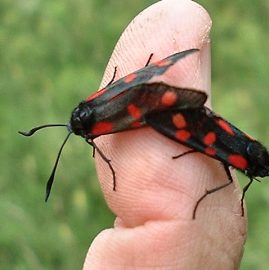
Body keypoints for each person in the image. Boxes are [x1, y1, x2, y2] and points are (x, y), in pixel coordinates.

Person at [83, 1, 245, 269]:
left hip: (154, 110)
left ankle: (163, 98)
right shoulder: (94, 124)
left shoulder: (95, 126)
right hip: (149, 108)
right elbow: (117, 88)